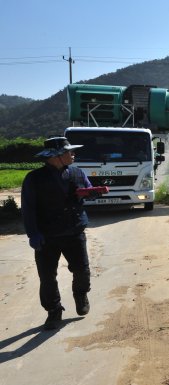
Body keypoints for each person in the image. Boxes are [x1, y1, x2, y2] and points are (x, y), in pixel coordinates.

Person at [21, 136, 93, 330]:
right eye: (69, 151)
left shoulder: (77, 172)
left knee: (82, 271)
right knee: (47, 277)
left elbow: (88, 187)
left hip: (74, 232)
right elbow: (28, 209)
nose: (73, 154)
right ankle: (54, 311)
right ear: (57, 156)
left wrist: (90, 192)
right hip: (47, 236)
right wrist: (33, 233)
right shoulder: (34, 179)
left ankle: (80, 295)